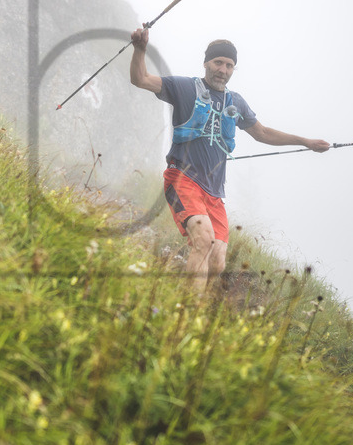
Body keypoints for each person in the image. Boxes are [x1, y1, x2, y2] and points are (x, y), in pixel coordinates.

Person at [129, 27, 331, 293]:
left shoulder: (236, 102)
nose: (222, 69)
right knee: (203, 240)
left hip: (214, 193)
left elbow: (263, 133)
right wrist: (140, 50)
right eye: (218, 63)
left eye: (229, 65)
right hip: (182, 178)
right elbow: (140, 79)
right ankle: (186, 312)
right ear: (206, 63)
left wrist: (305, 141)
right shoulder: (184, 87)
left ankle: (193, 304)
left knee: (217, 261)